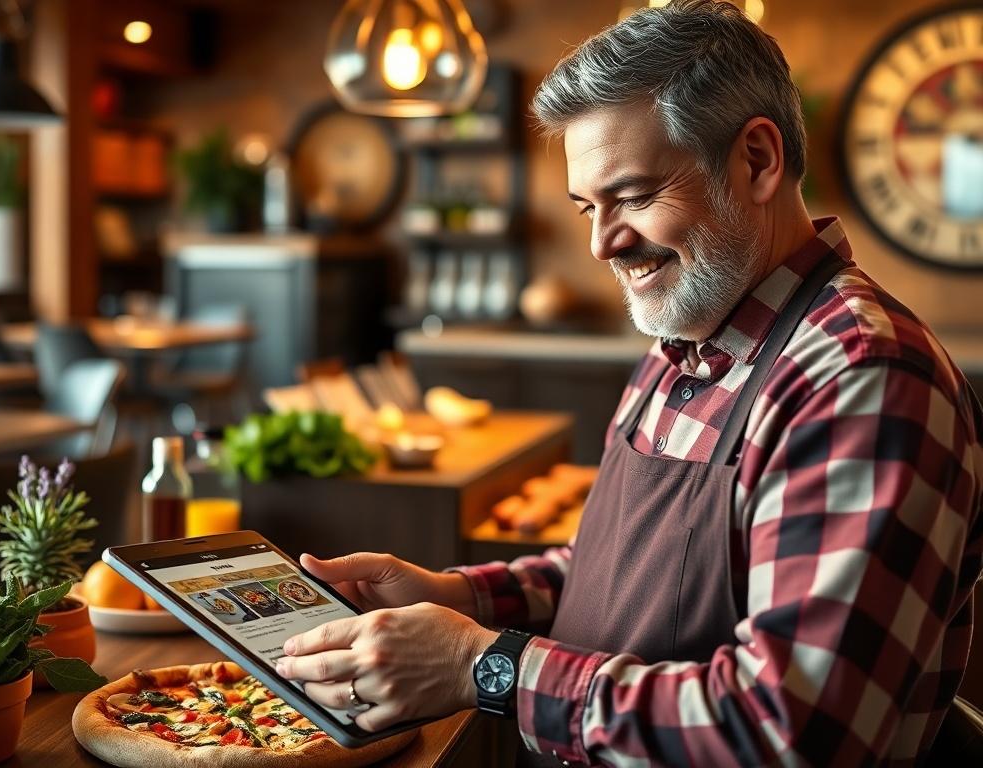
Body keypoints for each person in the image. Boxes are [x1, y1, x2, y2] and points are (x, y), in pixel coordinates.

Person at [275, 2, 983, 764]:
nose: (601, 243)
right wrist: (459, 600)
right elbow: (614, 576)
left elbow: (791, 731)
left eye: (635, 197)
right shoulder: (687, 337)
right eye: (588, 206)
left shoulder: (858, 378)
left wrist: (482, 664)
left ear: (756, 160)